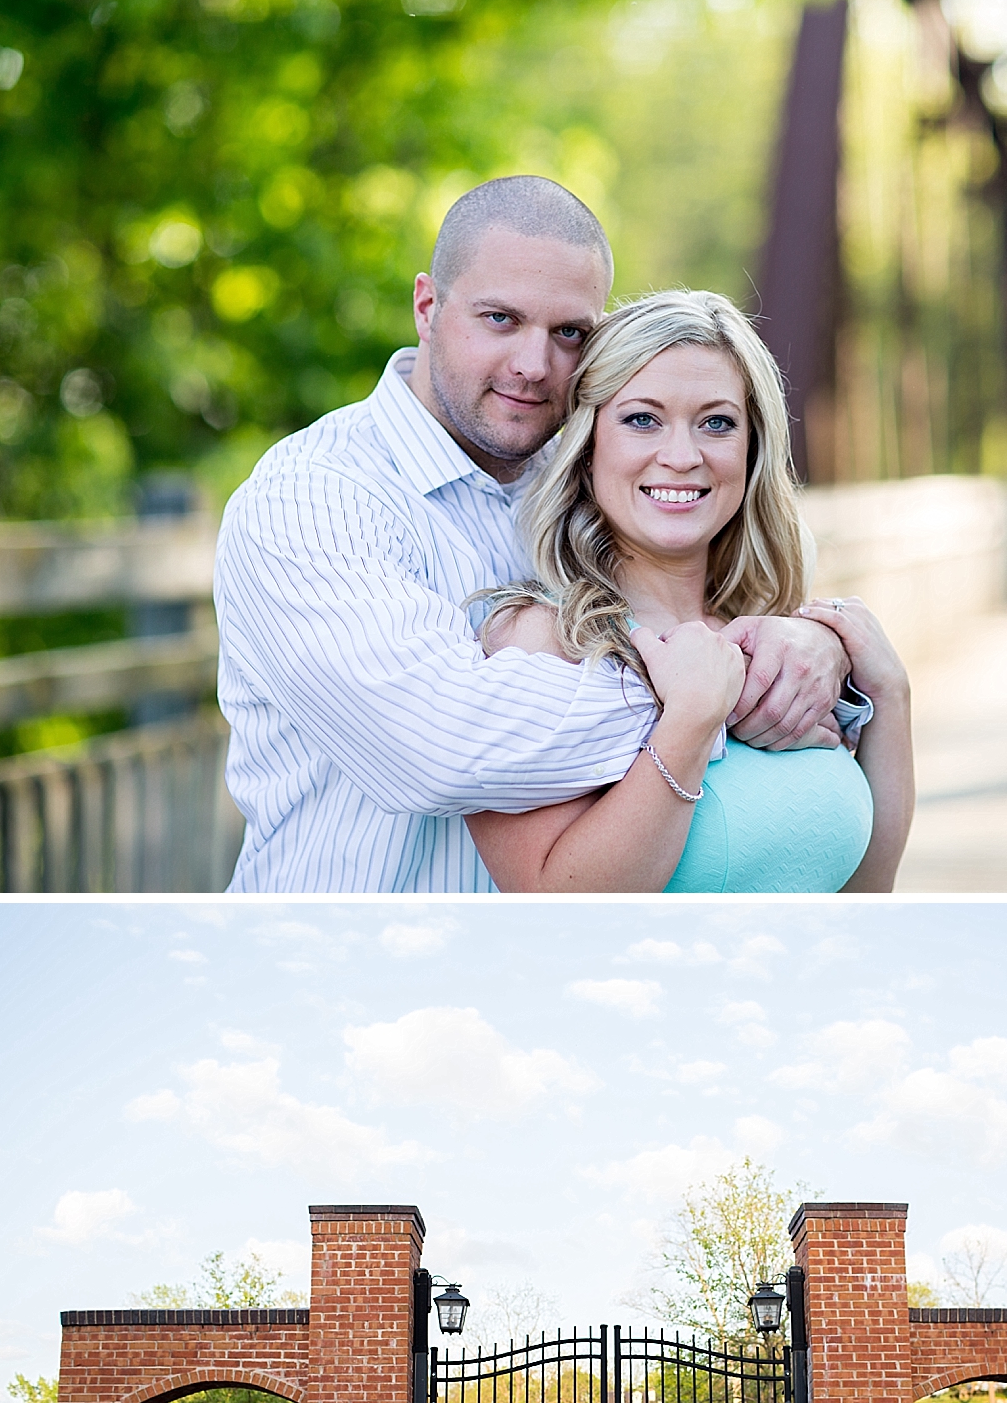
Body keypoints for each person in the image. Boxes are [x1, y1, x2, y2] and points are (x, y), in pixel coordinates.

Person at [214, 176, 855, 891]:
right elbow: (438, 746)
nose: (533, 364)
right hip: (345, 972)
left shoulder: (593, 475)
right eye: (500, 319)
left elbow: (700, 590)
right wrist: (718, 691)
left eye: (569, 333)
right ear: (427, 306)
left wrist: (820, 643)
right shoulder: (314, 498)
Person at [464, 291, 915, 892]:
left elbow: (865, 896)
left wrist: (891, 693)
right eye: (642, 418)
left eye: (717, 423)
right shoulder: (544, 642)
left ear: (752, 447)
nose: (682, 457)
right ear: (587, 443)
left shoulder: (777, 641)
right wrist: (692, 719)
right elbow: (554, 905)